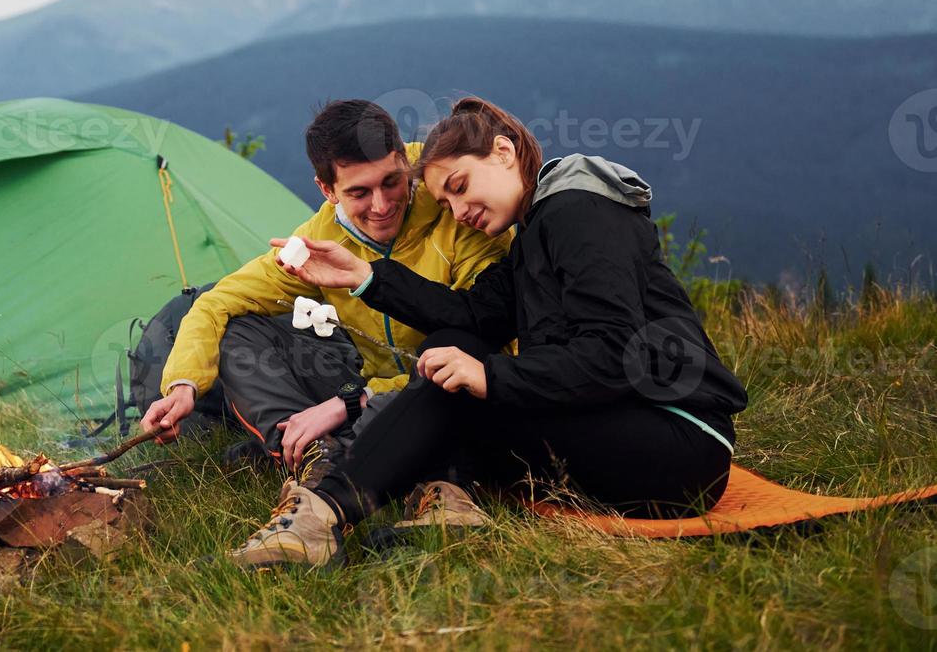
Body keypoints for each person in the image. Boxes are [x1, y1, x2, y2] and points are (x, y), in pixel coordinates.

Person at [229, 96, 748, 569]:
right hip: (618, 427)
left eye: (459, 187)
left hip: (678, 444)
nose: (460, 212)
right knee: (447, 352)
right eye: (447, 205)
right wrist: (364, 277)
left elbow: (615, 353)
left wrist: (490, 377)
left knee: (462, 381)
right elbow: (469, 316)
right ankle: (441, 502)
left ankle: (321, 517)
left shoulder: (579, 210)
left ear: (503, 151)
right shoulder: (533, 236)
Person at [140, 99, 510, 491]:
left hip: (450, 388)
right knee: (239, 328)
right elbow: (217, 302)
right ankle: (314, 454)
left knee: (428, 406)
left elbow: (486, 340)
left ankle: (332, 451)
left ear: (404, 160)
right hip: (368, 386)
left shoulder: (456, 201)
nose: (382, 205)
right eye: (359, 193)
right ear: (327, 189)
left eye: (391, 182)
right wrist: (183, 385)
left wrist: (348, 402)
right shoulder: (321, 239)